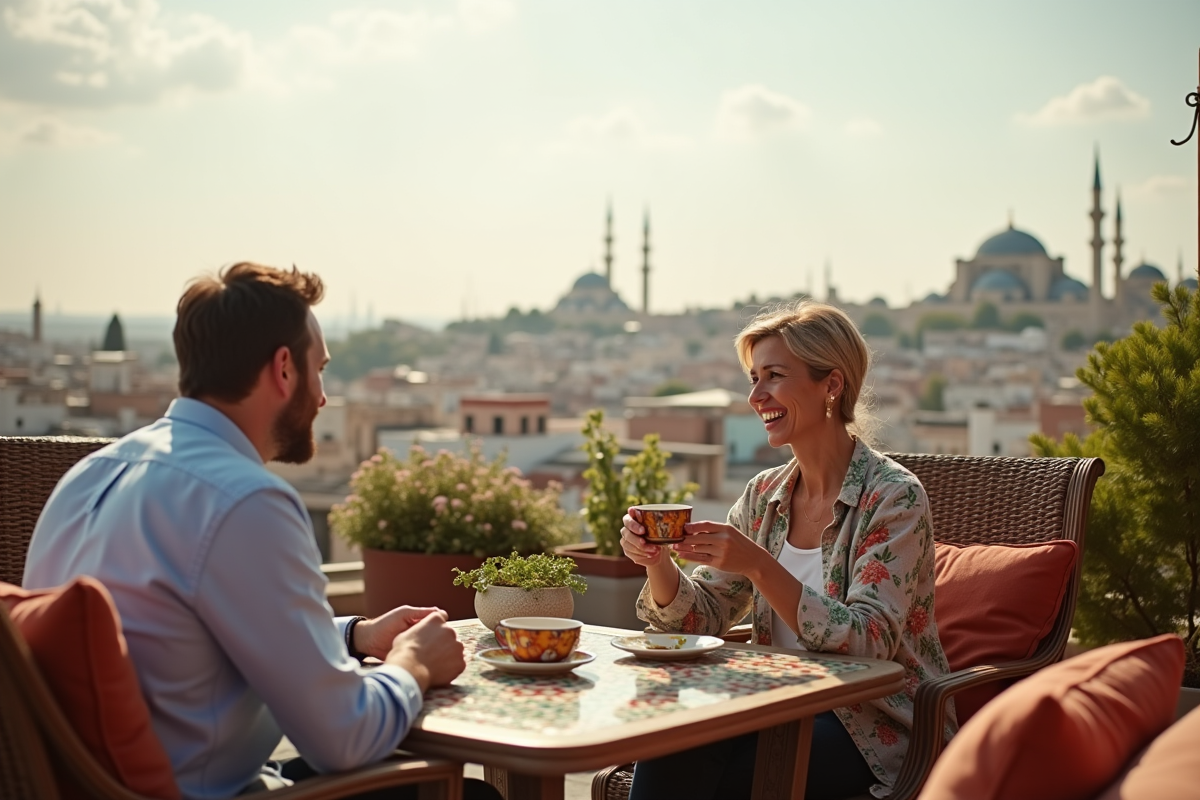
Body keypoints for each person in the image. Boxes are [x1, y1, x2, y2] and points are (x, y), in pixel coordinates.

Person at [23, 263, 498, 800]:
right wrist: (413, 663)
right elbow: (344, 738)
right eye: (318, 369)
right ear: (283, 370)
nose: (322, 397)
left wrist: (354, 637)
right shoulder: (244, 500)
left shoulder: (87, 476)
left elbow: (187, 636)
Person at [620, 300, 957, 800]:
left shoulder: (893, 497)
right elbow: (701, 620)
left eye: (773, 376)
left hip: (870, 725)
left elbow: (869, 642)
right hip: (775, 704)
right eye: (754, 378)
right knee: (671, 742)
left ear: (832, 385)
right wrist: (658, 563)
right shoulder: (763, 497)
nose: (756, 395)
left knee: (732, 777)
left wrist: (758, 564)